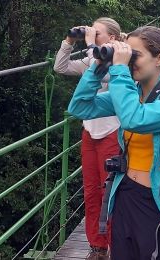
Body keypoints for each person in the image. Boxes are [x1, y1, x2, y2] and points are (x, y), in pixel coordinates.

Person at [68, 26, 160, 260]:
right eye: (127, 54)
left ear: (159, 58)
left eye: (135, 55)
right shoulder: (131, 92)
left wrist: (118, 70)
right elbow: (79, 107)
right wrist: (98, 67)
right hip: (125, 193)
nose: (129, 61)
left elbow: (133, 119)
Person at [53, 17, 122, 260]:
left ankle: (116, 246)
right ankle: (98, 246)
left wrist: (92, 46)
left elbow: (104, 76)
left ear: (113, 39)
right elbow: (60, 67)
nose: (92, 36)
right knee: (91, 192)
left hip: (111, 133)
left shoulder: (121, 64)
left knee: (110, 193)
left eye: (98, 34)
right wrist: (70, 40)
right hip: (90, 134)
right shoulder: (90, 59)